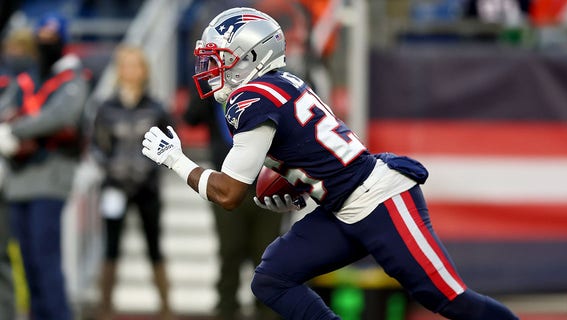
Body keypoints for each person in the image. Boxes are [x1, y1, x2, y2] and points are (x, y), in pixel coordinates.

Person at [142, 7, 519, 320]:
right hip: (341, 204)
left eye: (219, 58)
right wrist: (295, 187)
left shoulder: (252, 99)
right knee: (272, 277)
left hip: (378, 198)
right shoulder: (283, 83)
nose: (210, 67)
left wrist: (174, 159)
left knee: (447, 298)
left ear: (250, 56)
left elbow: (228, 193)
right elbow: (309, 150)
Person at [0, 13, 89, 320]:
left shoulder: (72, 78)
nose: (45, 43)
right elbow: (5, 108)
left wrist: (16, 129)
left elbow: (60, 116)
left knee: (45, 259)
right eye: (42, 36)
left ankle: (59, 315)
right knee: (27, 263)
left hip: (50, 177)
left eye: (52, 37)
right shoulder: (27, 79)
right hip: (18, 180)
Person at [183, 89, 283, 320]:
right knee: (229, 252)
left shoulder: (266, 84)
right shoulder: (212, 88)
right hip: (224, 183)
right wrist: (206, 89)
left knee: (266, 254)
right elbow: (190, 118)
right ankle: (226, 309)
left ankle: (268, 310)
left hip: (266, 184)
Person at [91, 44, 174, 320]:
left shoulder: (156, 107)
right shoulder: (105, 107)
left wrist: (145, 171)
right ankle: (105, 307)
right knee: (110, 246)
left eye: (135, 65)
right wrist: (112, 169)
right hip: (114, 186)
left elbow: (168, 145)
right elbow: (97, 147)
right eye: (125, 65)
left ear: (144, 71)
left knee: (154, 244)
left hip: (147, 187)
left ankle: (165, 308)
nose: (130, 71)